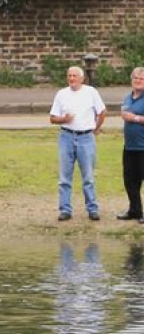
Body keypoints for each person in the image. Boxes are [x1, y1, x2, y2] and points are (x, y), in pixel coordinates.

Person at [49, 66, 107, 221]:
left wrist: (95, 128)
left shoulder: (91, 92)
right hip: (66, 136)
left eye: (75, 76)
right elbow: (52, 118)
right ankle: (65, 209)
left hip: (85, 137)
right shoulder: (61, 94)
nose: (71, 78)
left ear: (82, 78)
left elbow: (102, 112)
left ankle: (92, 208)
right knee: (64, 177)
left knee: (88, 176)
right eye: (69, 75)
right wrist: (64, 119)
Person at [116, 67, 144, 221]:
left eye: (141, 78)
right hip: (129, 146)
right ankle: (135, 210)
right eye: (135, 78)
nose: (138, 81)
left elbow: (133, 117)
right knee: (130, 180)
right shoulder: (128, 97)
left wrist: (134, 118)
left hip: (143, 147)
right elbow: (125, 113)